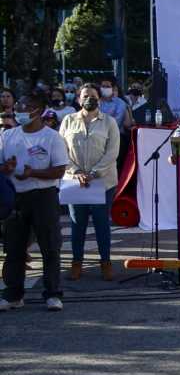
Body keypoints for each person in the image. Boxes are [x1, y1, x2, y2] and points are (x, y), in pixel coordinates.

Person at [1, 91, 69, 311]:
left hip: (44, 197)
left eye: (26, 106)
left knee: (50, 246)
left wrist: (33, 173)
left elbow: (59, 170)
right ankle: (13, 295)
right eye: (19, 106)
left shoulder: (52, 138)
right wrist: (7, 168)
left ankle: (52, 294)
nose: (20, 110)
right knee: (14, 248)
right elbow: (1, 167)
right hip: (15, 197)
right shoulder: (7, 136)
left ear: (38, 110)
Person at [60, 84, 120, 281]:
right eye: (85, 95)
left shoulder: (109, 122)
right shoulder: (68, 120)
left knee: (102, 225)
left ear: (99, 99)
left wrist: (94, 173)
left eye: (93, 96)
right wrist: (75, 171)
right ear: (79, 99)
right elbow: (61, 151)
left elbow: (112, 153)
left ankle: (106, 263)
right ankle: (77, 263)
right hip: (75, 182)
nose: (89, 99)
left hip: (102, 182)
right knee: (77, 225)